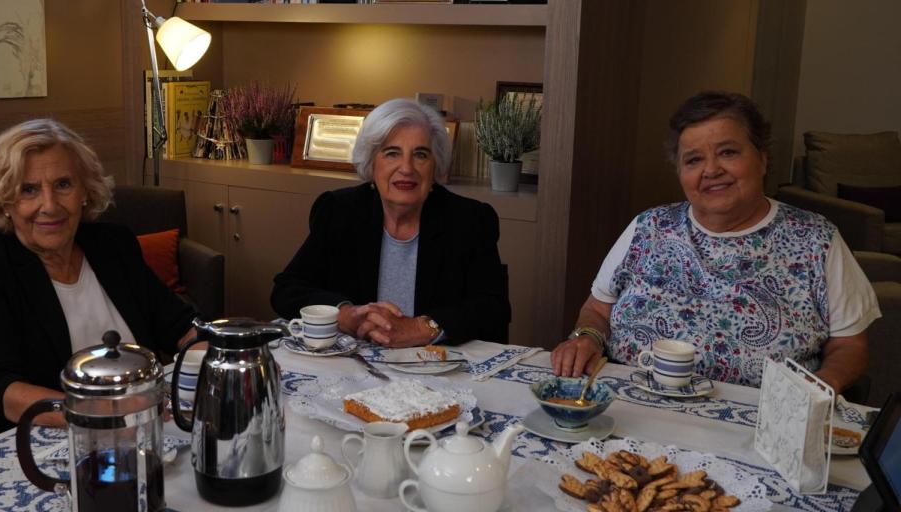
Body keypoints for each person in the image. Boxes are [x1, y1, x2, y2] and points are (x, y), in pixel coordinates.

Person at [550, 91, 880, 393]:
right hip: (627, 405)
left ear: (762, 158)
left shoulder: (815, 240)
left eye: (728, 152)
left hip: (756, 421)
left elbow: (849, 346)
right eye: (693, 160)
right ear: (680, 172)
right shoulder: (648, 226)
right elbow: (596, 309)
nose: (711, 170)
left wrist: (823, 384)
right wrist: (587, 338)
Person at [0, 119, 198, 453]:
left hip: (138, 440)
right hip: (26, 446)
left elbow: (178, 324)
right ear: (4, 201)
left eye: (63, 184)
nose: (49, 205)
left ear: (85, 193)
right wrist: (100, 413)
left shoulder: (113, 245)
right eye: (28, 189)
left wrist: (223, 356)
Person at [271, 98, 510, 347]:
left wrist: (423, 327)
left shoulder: (468, 220)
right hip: (352, 367)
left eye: (420, 154)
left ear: (435, 166)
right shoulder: (339, 211)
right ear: (371, 162)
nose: (406, 168)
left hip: (438, 370)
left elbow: (493, 308)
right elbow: (287, 289)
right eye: (392, 153)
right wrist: (344, 314)